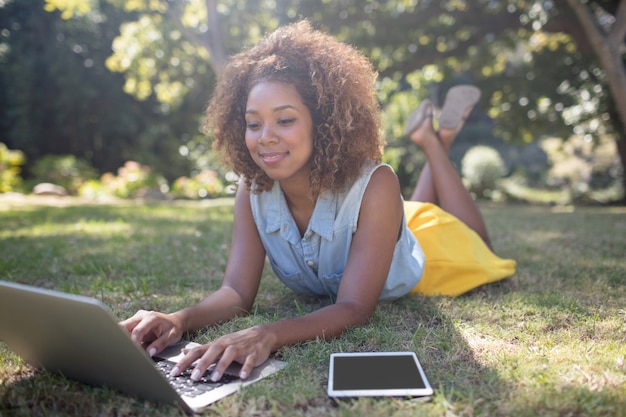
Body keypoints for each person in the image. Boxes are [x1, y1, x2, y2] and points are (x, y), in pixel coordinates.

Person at [120, 20, 516, 384]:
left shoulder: (376, 184)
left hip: (429, 256)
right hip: (381, 226)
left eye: (285, 120)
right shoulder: (252, 190)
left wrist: (268, 333)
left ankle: (436, 140)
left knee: (479, 242)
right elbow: (237, 293)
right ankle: (437, 141)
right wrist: (177, 319)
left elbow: (355, 306)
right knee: (408, 208)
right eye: (254, 123)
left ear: (322, 122)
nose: (265, 137)